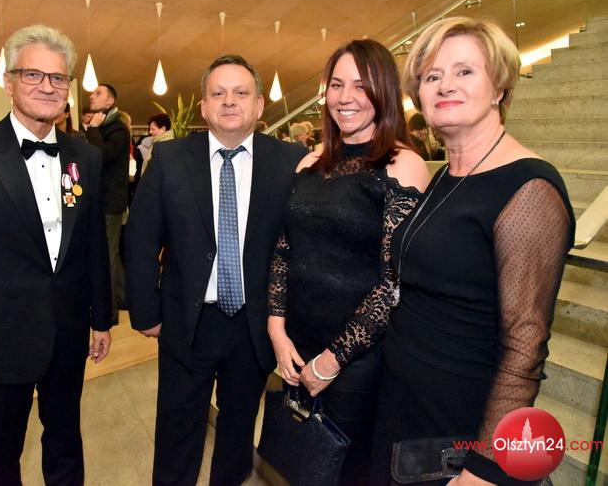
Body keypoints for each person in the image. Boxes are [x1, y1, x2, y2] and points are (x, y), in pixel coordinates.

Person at [370, 17, 575, 485]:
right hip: (407, 410)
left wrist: (485, 467)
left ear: (499, 86)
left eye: (464, 71)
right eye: (432, 76)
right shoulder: (448, 174)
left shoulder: (529, 188)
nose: (446, 85)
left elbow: (525, 344)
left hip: (460, 432)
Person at [0, 24, 112, 486]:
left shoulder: (84, 156)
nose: (47, 87)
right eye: (33, 74)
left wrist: (101, 318)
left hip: (67, 332)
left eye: (58, 78)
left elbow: (92, 244)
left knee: (66, 442)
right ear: (8, 82)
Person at [124, 54, 305, 486]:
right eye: (217, 93)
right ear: (203, 106)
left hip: (254, 324)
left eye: (241, 92)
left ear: (258, 105)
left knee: (239, 429)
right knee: (177, 429)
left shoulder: (291, 161)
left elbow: (301, 246)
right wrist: (146, 312)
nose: (229, 101)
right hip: (187, 321)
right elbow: (141, 239)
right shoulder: (169, 159)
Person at [267, 39, 429, 484]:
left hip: (357, 358)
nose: (345, 97)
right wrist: (276, 329)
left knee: (345, 471)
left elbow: (394, 282)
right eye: (336, 85)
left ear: (384, 91)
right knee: (300, 464)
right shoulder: (310, 162)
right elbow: (284, 249)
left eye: (360, 85)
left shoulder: (403, 164)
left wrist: (333, 359)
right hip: (297, 344)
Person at [85, 83, 131, 323]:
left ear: (110, 101)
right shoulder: (105, 126)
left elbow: (100, 155)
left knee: (108, 256)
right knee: (111, 255)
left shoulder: (117, 129)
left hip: (110, 203)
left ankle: (110, 312)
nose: (92, 96)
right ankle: (124, 299)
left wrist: (92, 129)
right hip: (100, 201)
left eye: (98, 93)